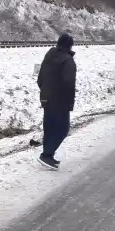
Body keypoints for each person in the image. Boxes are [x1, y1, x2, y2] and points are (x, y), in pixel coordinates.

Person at [36, 33, 76, 170]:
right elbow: (69, 83)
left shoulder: (49, 56)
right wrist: (69, 103)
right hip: (60, 101)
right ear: (70, 46)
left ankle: (49, 155)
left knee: (50, 128)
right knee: (62, 129)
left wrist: (45, 93)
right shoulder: (67, 60)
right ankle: (46, 155)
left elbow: (40, 79)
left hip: (46, 99)